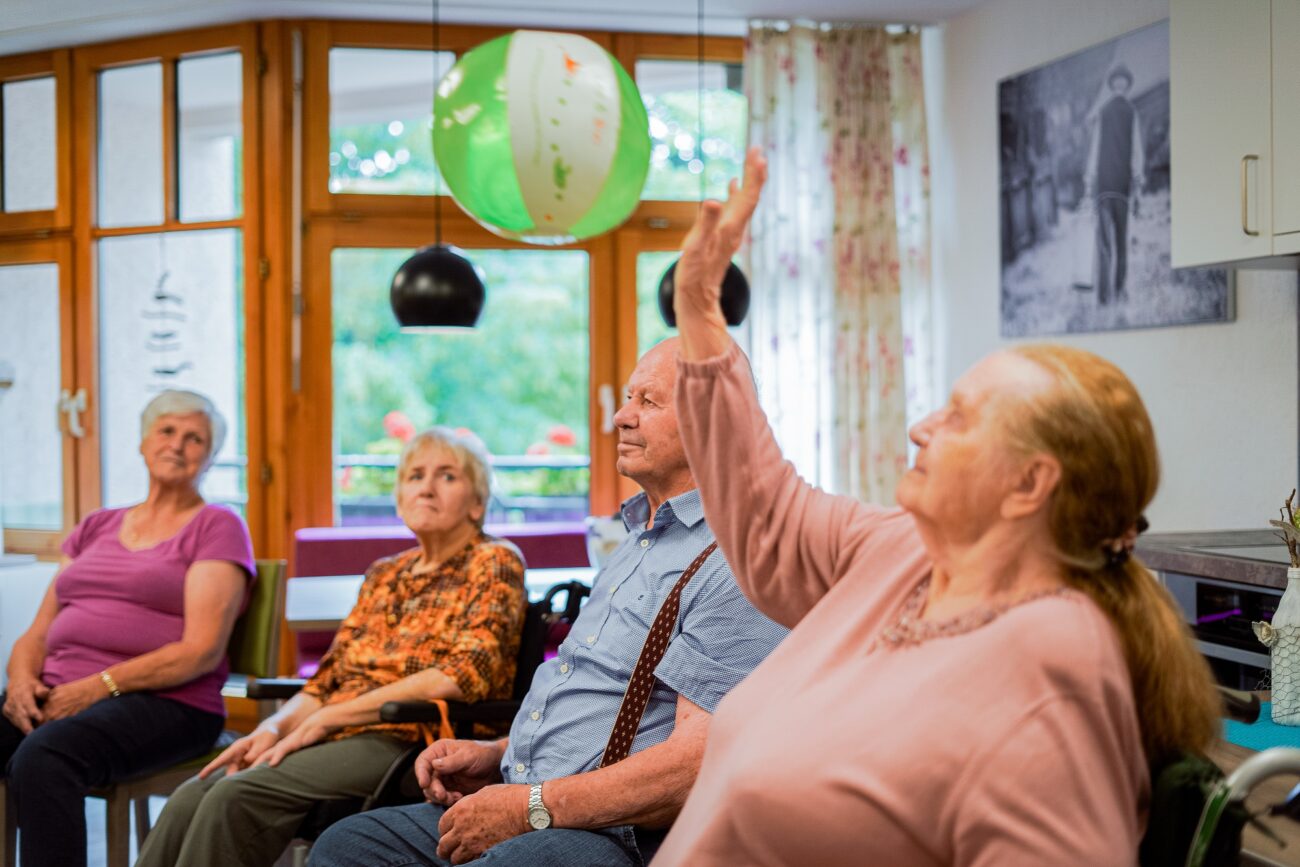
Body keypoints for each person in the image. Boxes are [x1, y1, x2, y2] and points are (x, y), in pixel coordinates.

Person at [652, 148, 1221, 865]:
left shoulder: (1052, 663)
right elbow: (768, 515)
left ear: (1029, 484)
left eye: (958, 416)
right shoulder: (906, 553)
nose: (922, 426)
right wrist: (698, 308)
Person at [309, 338, 789, 867]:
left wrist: (528, 807)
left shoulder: (745, 558)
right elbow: (596, 694)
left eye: (647, 402)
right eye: (628, 398)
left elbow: (695, 766)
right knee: (347, 847)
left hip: (614, 835)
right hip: (532, 800)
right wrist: (495, 759)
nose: (621, 417)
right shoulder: (638, 537)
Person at [137, 426, 527, 867]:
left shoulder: (494, 560)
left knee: (236, 794)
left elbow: (462, 673)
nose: (427, 487)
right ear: (399, 497)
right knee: (193, 794)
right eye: (415, 475)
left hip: (407, 737)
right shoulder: (384, 573)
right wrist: (273, 728)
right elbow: (328, 680)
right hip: (341, 730)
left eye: (448, 476)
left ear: (477, 502)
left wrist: (330, 718)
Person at [0, 389, 254, 867]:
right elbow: (37, 632)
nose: (178, 444)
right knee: (31, 740)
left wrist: (98, 687)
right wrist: (19, 681)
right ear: (143, 443)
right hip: (61, 691)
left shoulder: (217, 526)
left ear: (212, 456)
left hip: (169, 704)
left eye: (194, 438)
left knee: (45, 756)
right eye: (167, 431)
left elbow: (199, 650)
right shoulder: (98, 524)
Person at [1085, 63, 1145, 305]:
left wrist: (1089, 183)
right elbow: (1136, 154)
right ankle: (1118, 291)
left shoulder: (1104, 112)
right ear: (1124, 85)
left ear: (1115, 85)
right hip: (1120, 187)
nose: (1120, 84)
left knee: (1104, 244)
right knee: (1120, 241)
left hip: (1104, 186)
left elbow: (1094, 151)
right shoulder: (1131, 112)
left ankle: (1103, 296)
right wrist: (1138, 184)